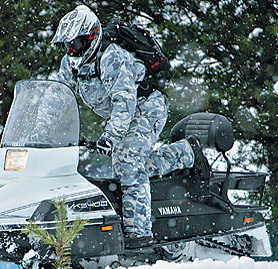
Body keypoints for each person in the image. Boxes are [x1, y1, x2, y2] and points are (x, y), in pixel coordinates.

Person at [51, 5, 210, 246]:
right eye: (68, 45)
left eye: (76, 44)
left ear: (92, 37)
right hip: (125, 112)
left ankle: (139, 233)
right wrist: (41, 127)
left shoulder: (112, 57)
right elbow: (57, 96)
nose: (72, 50)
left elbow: (124, 101)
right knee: (133, 164)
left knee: (127, 162)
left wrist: (110, 137)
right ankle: (187, 152)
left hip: (147, 108)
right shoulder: (70, 64)